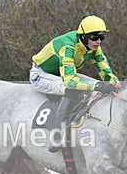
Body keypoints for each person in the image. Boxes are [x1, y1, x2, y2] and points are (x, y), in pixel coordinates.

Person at [29, 15, 121, 151]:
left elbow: (105, 71)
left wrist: (114, 84)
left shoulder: (94, 48)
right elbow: (70, 82)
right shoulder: (68, 46)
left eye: (102, 38)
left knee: (97, 84)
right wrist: (97, 86)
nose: (98, 41)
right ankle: (57, 135)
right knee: (73, 89)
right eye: (94, 37)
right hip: (41, 75)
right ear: (83, 36)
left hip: (62, 72)